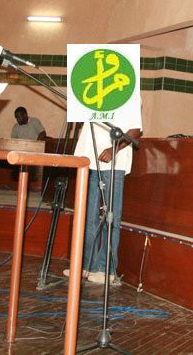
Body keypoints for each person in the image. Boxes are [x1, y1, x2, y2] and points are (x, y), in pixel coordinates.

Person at [66, 120, 142, 285]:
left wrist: (114, 149)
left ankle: (106, 270)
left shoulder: (128, 101)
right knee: (89, 217)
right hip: (90, 159)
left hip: (113, 162)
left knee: (111, 219)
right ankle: (88, 266)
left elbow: (136, 129)